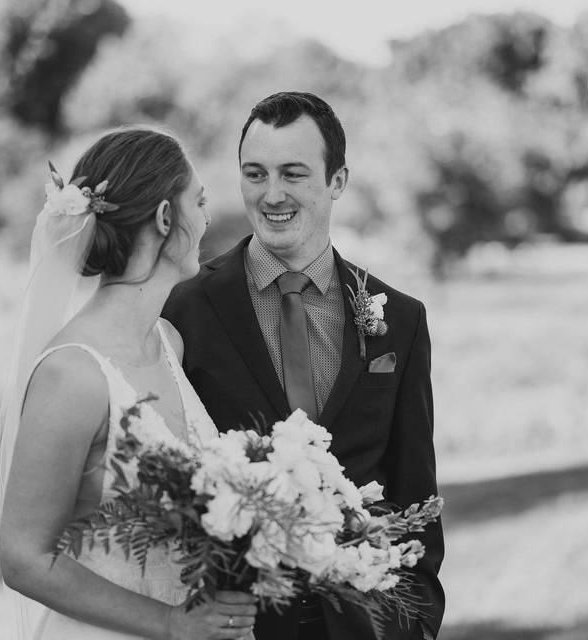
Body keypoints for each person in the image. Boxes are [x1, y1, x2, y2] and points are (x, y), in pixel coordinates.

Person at [164, 92, 445, 640]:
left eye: (293, 173)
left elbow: (415, 494)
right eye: (255, 174)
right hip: (234, 624)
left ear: (337, 180)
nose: (272, 195)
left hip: (365, 625)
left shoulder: (401, 321)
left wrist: (415, 625)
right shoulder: (184, 308)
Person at [0, 127, 257, 640]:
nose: (206, 219)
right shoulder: (73, 375)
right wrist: (170, 624)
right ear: (163, 217)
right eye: (198, 203)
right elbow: (23, 558)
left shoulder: (170, 344)